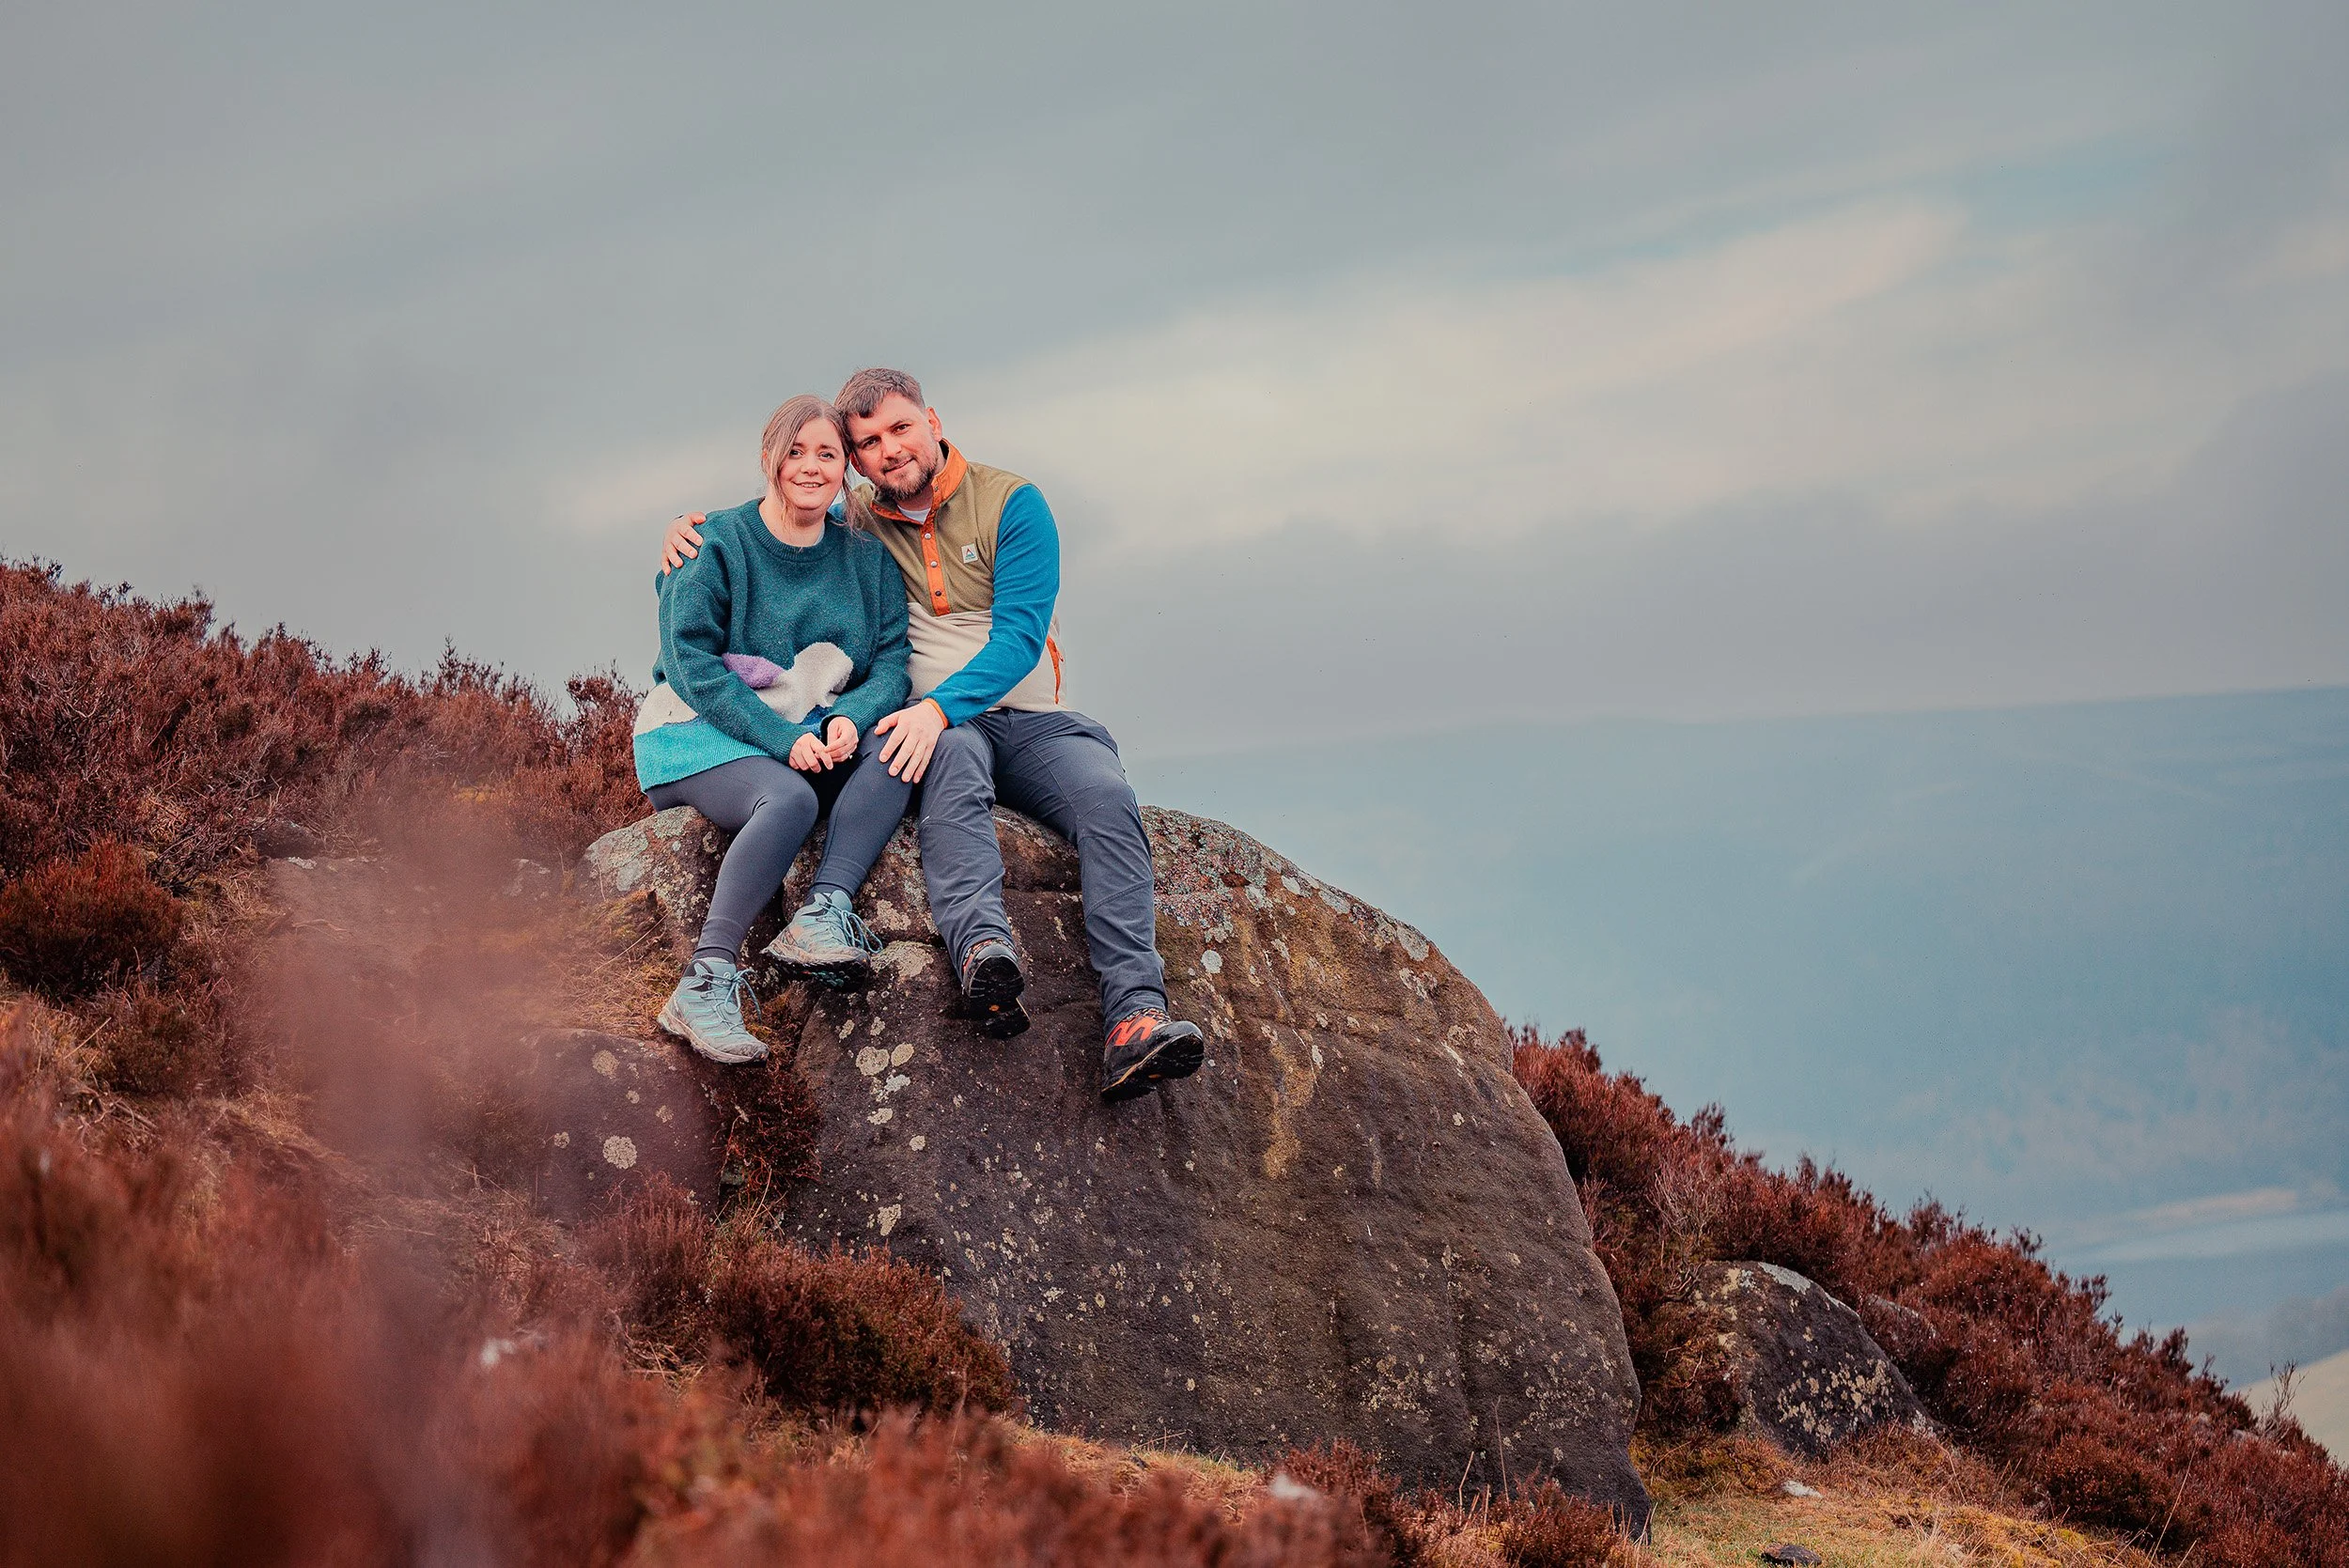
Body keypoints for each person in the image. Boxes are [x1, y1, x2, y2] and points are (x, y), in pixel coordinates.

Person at [662, 368, 1204, 1102]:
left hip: (1028, 720)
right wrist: (678, 536)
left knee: (1108, 799)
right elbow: (768, 525)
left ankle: (1135, 1017)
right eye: (867, 443)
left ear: (933, 420)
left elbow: (1017, 637)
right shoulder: (859, 522)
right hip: (941, 731)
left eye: (899, 429)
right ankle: (983, 954)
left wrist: (934, 707)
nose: (886, 451)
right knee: (942, 766)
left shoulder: (1012, 503)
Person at [637, 395, 913, 1064]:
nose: (811, 467)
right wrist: (785, 741)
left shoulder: (866, 561)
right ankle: (704, 983)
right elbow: (691, 666)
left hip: (806, 728)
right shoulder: (714, 542)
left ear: (846, 469)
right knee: (788, 797)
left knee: (901, 747)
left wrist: (849, 718)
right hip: (695, 732)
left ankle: (822, 913)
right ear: (768, 458)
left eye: (828, 454)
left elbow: (893, 661)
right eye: (796, 451)